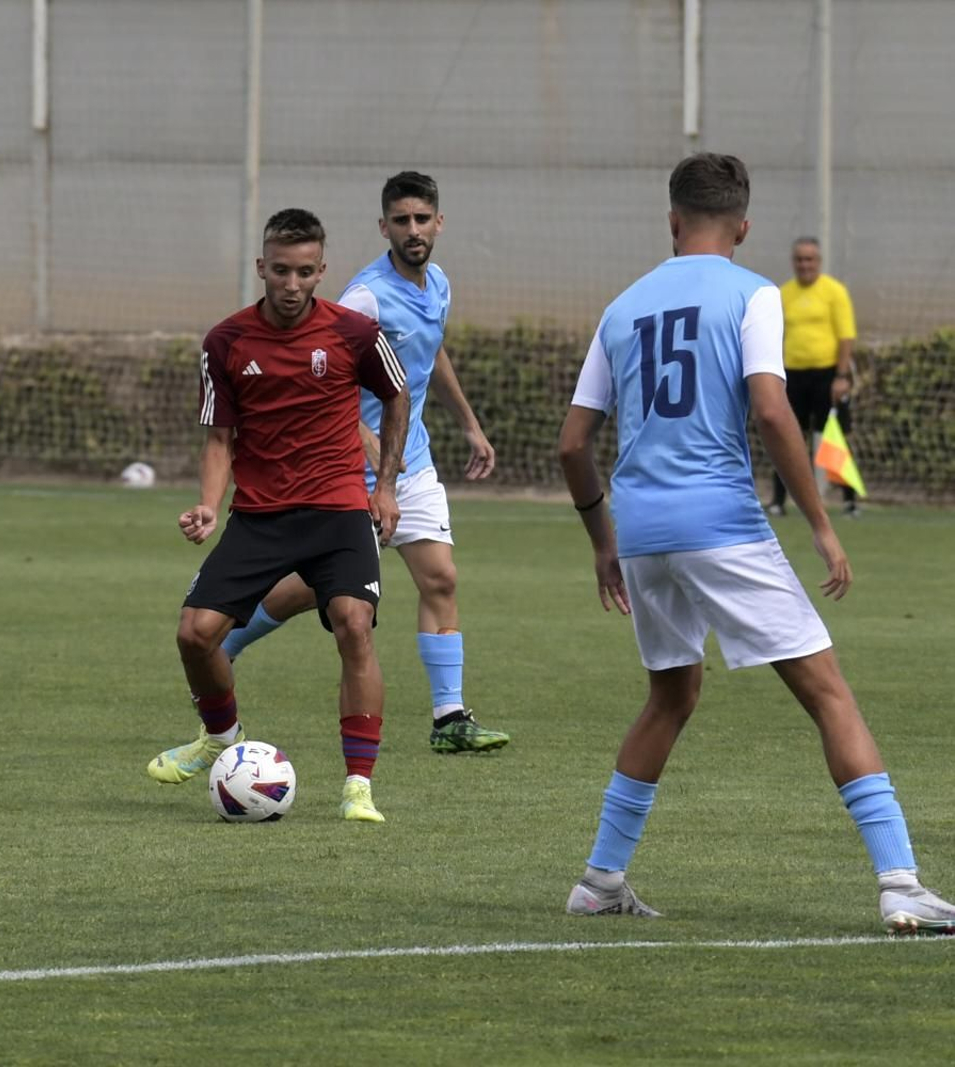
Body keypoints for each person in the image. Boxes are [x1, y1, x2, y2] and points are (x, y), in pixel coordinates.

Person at [556, 152, 953, 934]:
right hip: (720, 523)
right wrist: (821, 523)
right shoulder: (755, 293)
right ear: (743, 226)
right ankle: (901, 882)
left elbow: (573, 443)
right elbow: (771, 410)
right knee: (829, 692)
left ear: (673, 221)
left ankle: (600, 880)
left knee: (672, 694)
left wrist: (603, 541)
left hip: (640, 531)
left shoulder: (621, 307)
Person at [221, 172, 510, 755]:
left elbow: (430, 352)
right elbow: (319, 383)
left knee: (441, 577)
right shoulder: (365, 297)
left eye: (422, 219)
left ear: (439, 222)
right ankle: (225, 643)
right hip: (349, 470)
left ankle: (449, 717)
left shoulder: (439, 284)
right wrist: (365, 443)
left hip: (411, 461)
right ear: (384, 227)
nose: (413, 230)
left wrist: (469, 423)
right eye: (401, 221)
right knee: (314, 589)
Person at [146, 208, 409, 822]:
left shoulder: (354, 333)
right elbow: (219, 438)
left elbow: (397, 394)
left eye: (305, 272)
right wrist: (209, 505)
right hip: (261, 516)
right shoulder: (226, 342)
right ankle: (221, 738)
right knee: (194, 634)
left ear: (322, 271)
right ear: (262, 267)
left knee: (353, 624)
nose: (293, 285)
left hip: (339, 510)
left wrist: (386, 486)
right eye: (282, 271)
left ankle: (358, 786)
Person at [768, 237, 860, 517]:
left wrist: (841, 376)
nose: (804, 265)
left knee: (836, 437)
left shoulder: (834, 292)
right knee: (786, 436)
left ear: (818, 262)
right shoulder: (783, 293)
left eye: (809, 259)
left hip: (827, 376)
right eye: (799, 259)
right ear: (793, 262)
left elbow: (846, 336)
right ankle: (778, 501)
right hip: (792, 376)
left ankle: (849, 502)